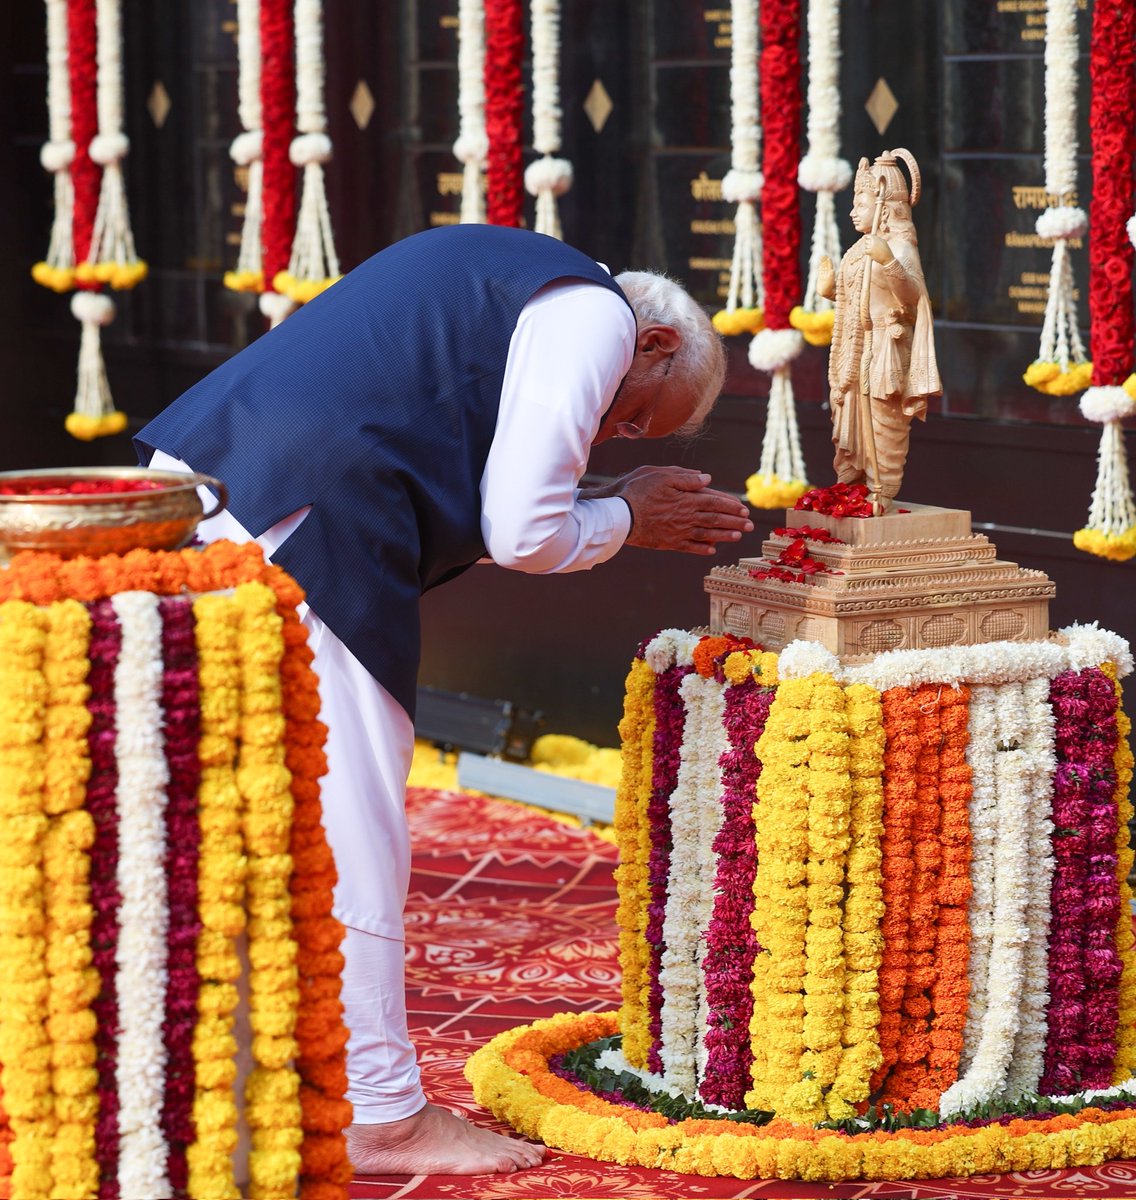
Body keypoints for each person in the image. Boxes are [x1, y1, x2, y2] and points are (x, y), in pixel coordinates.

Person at [136, 223, 751, 1176]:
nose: (613, 433)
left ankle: (213, 1057)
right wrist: (627, 515)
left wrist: (612, 497)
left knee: (234, 805)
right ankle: (381, 1114)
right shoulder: (595, 315)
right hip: (301, 527)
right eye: (633, 419)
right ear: (655, 342)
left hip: (213, 486)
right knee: (354, 823)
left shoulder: (507, 280)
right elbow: (524, 528)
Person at [817, 148, 941, 509]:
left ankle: (881, 490)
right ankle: (853, 481)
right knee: (850, 417)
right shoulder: (859, 249)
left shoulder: (898, 246)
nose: (854, 210)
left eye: (862, 201)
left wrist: (888, 260)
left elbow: (913, 298)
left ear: (884, 207)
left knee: (884, 423)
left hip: (886, 348)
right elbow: (853, 296)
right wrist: (830, 289)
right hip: (854, 351)